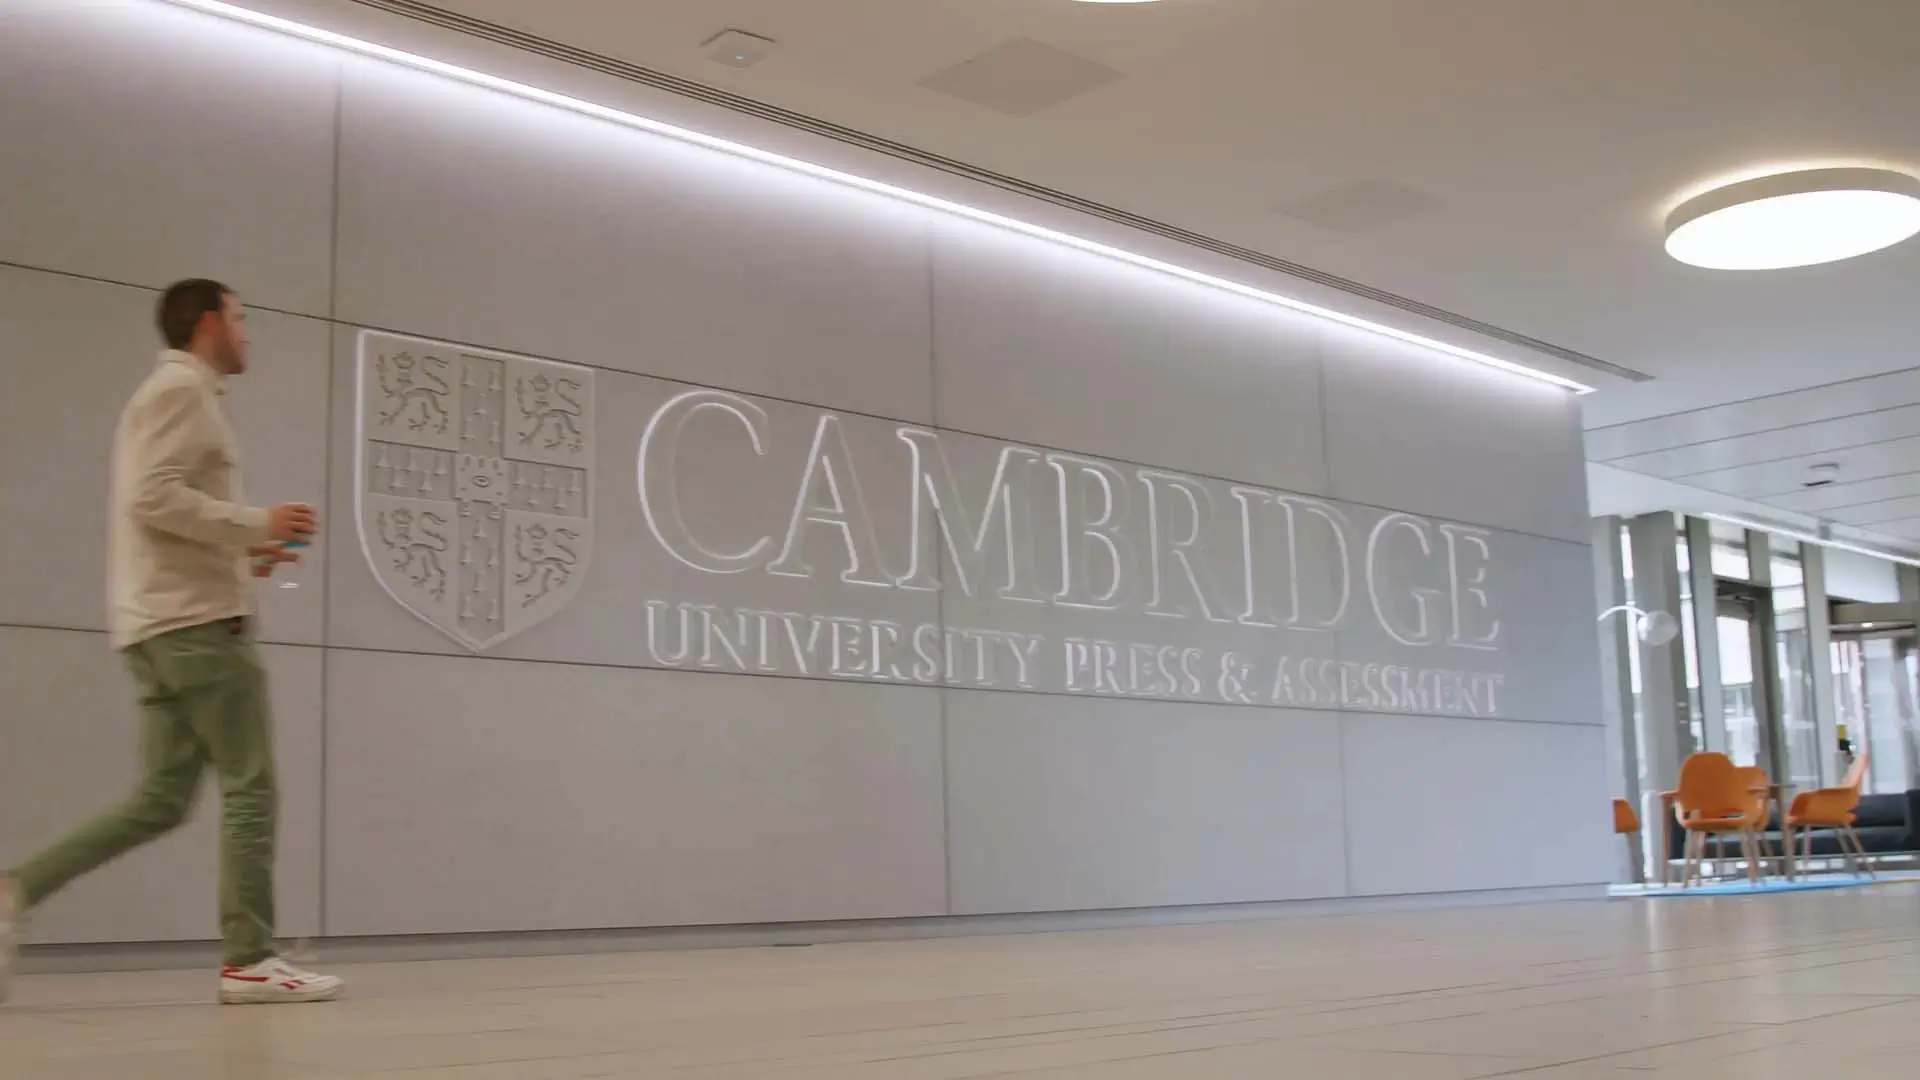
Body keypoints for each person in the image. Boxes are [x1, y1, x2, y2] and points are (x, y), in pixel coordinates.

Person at [0, 280, 343, 1005]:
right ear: (210, 322)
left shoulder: (174, 397)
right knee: (252, 786)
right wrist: (258, 521)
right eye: (243, 319)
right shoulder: (179, 392)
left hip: (157, 624)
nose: (249, 335)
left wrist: (250, 553)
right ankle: (250, 958)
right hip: (195, 627)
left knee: (159, 799)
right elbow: (152, 498)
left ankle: (17, 889)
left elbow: (163, 511)